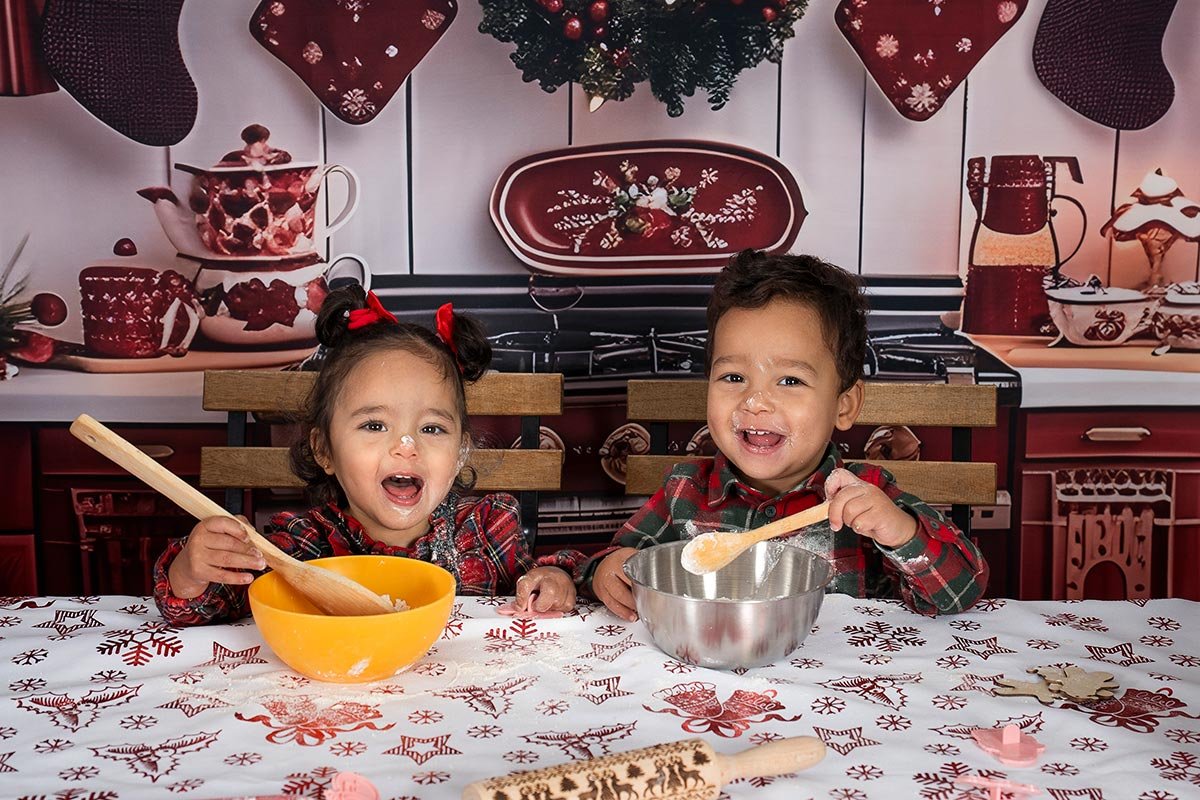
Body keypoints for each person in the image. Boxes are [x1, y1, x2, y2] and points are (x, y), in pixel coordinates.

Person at [583, 249, 989, 620]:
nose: (756, 402)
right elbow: (614, 560)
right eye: (734, 376)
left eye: (790, 380)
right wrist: (604, 570)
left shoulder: (866, 497)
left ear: (843, 406)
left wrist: (901, 532)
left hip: (840, 690)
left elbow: (961, 592)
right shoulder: (684, 491)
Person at [154, 286, 582, 624]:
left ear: (460, 452)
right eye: (375, 426)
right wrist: (193, 571)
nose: (406, 445)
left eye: (431, 428)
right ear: (324, 450)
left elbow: (547, 573)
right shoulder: (303, 547)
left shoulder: (487, 530)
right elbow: (204, 606)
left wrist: (554, 580)